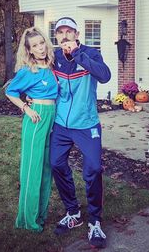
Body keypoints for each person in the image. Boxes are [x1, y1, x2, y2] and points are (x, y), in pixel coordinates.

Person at [50, 17, 111, 248]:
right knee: (56, 163)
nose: (64, 36)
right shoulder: (53, 57)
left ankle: (95, 221)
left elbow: (105, 76)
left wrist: (78, 55)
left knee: (94, 169)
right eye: (60, 32)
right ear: (56, 36)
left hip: (87, 124)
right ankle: (73, 212)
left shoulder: (91, 53)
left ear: (77, 34)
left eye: (69, 31)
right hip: (62, 125)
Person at [5, 27, 58, 232]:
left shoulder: (52, 65)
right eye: (34, 45)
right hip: (36, 117)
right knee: (32, 170)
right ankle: (27, 219)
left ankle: (41, 215)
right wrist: (26, 108)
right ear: (29, 50)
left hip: (52, 118)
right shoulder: (29, 70)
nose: (40, 48)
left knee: (47, 169)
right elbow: (11, 92)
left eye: (41, 43)